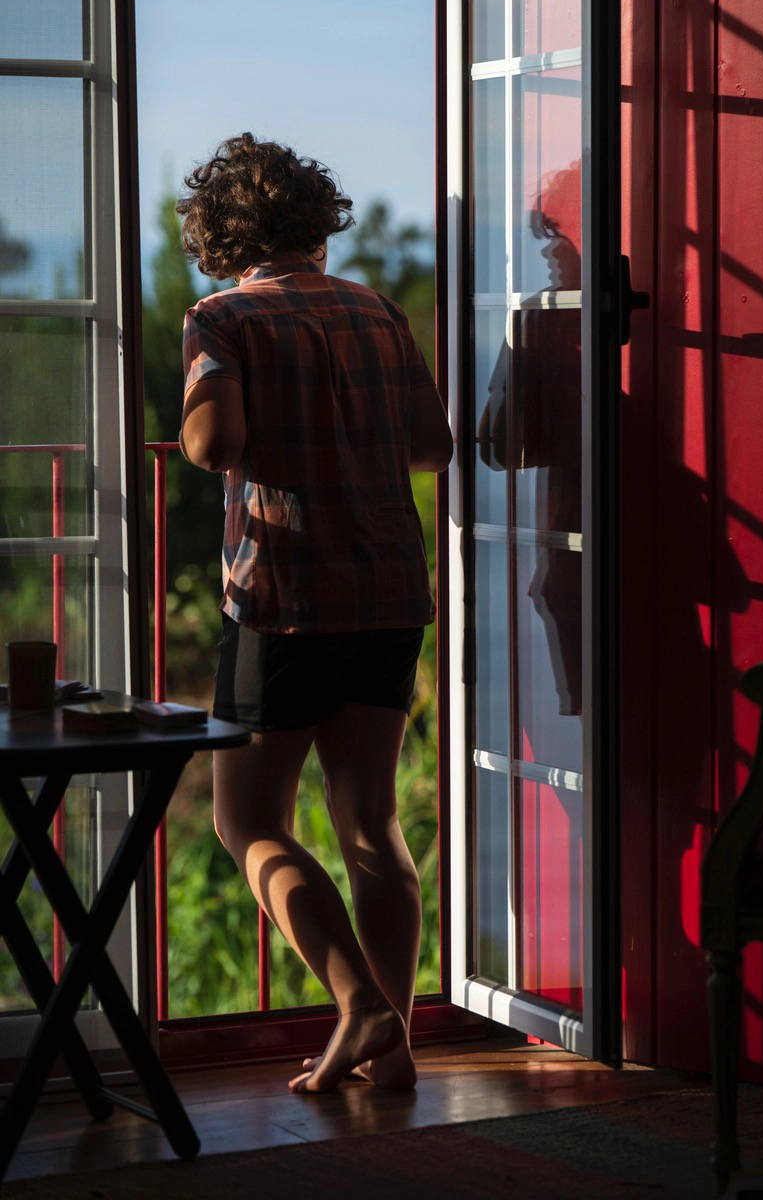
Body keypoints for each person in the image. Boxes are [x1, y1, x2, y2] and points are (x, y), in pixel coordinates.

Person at [177, 132, 453, 1094]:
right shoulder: (378, 312)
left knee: (247, 822)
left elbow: (213, 446)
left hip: (284, 598)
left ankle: (360, 1004)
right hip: (386, 591)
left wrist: (204, 404)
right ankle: (399, 1045)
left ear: (221, 235)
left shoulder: (221, 317)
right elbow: (431, 445)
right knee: (370, 822)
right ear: (316, 222)